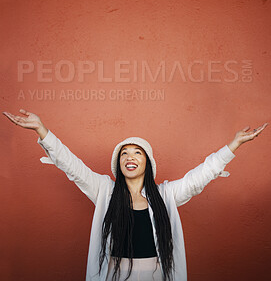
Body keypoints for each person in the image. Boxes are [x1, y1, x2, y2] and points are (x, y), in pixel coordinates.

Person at [2, 109, 268, 281]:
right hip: (114, 275)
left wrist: (233, 145)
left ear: (148, 163)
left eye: (137, 152)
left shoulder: (166, 195)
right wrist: (42, 131)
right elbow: (72, 166)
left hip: (156, 275)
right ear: (119, 163)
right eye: (124, 154)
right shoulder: (104, 191)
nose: (130, 157)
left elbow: (200, 177)